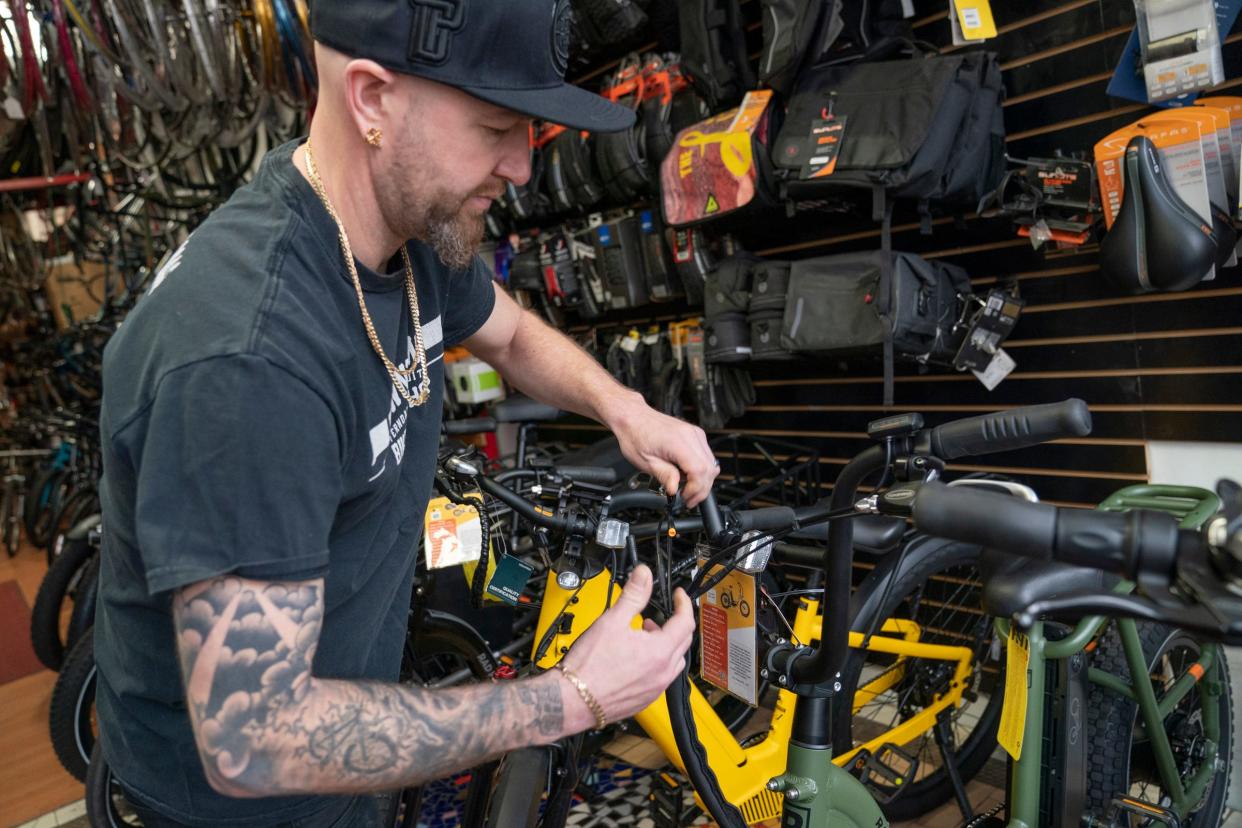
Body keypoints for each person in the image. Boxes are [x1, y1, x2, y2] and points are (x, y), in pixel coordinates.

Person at [93, 1, 719, 825]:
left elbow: (507, 329)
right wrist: (572, 698)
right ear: (372, 100)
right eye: (497, 126)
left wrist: (625, 407)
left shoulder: (402, 228)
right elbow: (254, 739)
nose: (524, 166)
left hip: (344, 774)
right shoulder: (250, 363)